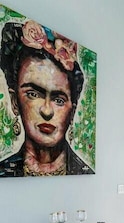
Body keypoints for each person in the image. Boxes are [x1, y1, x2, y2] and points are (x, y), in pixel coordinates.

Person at [0, 20, 94, 176]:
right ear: (15, 101)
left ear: (73, 109)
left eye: (59, 100)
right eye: (33, 94)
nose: (47, 110)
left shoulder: (84, 171)